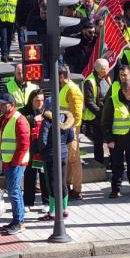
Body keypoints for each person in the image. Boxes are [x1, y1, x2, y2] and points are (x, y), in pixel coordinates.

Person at [0, 93, 30, 235]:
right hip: (6, 161)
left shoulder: (19, 120)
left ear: (11, 105)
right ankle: (17, 220)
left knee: (14, 191)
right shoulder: (2, 118)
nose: (0, 106)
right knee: (14, 191)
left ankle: (19, 222)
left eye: (3, 104)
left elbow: (24, 145)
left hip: (15, 163)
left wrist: (14, 163)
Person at [103, 78, 130, 198]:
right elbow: (105, 122)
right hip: (118, 138)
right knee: (117, 165)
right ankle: (116, 189)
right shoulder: (112, 101)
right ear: (124, 91)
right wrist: (109, 139)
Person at [37, 105, 72, 220]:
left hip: (50, 156)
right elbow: (70, 137)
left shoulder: (47, 121)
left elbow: (43, 140)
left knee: (51, 183)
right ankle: (64, 209)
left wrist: (42, 150)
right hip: (63, 155)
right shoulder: (66, 119)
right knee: (62, 182)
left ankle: (52, 212)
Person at [56, 65, 84, 201]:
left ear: (61, 76)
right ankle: (67, 185)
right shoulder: (66, 88)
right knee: (68, 160)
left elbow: (77, 115)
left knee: (74, 160)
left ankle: (77, 190)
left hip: (70, 130)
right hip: (65, 128)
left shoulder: (72, 90)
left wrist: (71, 131)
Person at [82, 58, 111, 170]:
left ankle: (109, 161)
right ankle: (99, 163)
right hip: (96, 117)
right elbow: (89, 101)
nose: (108, 69)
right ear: (101, 70)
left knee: (109, 139)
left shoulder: (106, 78)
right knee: (98, 142)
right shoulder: (90, 81)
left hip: (106, 114)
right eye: (106, 68)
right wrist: (101, 113)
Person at [23, 89, 48, 212]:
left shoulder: (47, 113)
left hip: (43, 150)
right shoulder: (24, 113)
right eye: (37, 100)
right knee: (29, 176)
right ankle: (28, 202)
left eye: (42, 100)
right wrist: (33, 120)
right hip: (29, 150)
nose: (40, 103)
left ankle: (46, 202)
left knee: (44, 176)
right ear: (31, 100)